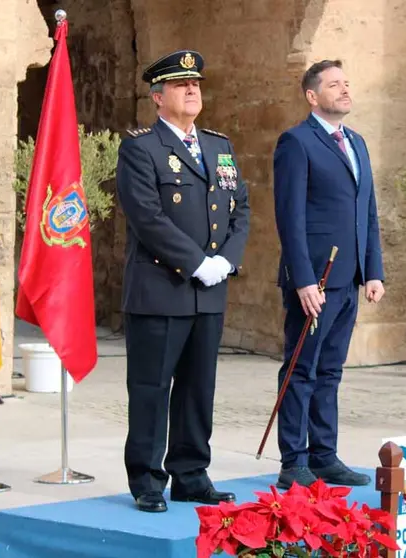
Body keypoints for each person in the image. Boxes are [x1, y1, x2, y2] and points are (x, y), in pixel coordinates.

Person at [115, 50, 250, 513]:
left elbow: (241, 209)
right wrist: (196, 262)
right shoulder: (141, 148)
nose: (192, 90)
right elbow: (147, 218)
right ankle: (148, 481)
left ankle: (191, 473)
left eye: (195, 84)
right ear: (158, 97)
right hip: (160, 290)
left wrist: (226, 262)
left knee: (198, 388)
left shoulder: (219, 146)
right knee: (152, 390)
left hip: (209, 292)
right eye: (180, 85)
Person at [272, 59, 385, 490]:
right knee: (301, 368)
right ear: (312, 95)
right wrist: (302, 279)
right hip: (314, 280)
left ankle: (324, 455)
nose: (344, 89)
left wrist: (372, 269)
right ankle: (293, 459)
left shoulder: (356, 142)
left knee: (332, 370)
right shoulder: (297, 142)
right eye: (334, 84)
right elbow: (290, 216)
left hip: (350, 278)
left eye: (346, 82)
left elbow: (367, 211)